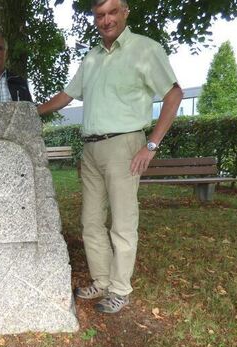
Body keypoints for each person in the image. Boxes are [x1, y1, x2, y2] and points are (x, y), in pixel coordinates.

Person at [38, 0, 182, 313]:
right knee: (90, 221)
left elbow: (174, 95)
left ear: (125, 12)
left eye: (112, 12)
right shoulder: (91, 58)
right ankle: (102, 281)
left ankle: (120, 289)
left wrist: (151, 145)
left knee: (123, 222)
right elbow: (67, 95)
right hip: (90, 149)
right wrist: (32, 112)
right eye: (100, 15)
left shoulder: (145, 49)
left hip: (124, 146)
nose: (106, 20)